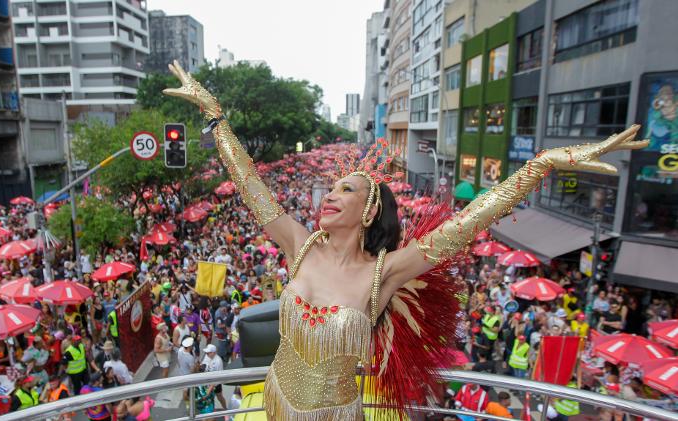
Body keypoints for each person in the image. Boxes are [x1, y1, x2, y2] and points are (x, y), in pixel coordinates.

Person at [164, 60, 647, 419]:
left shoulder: (385, 274)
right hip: (273, 402)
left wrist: (543, 165)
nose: (330, 195)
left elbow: (466, 225)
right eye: (331, 188)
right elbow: (251, 184)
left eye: (345, 189)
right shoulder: (300, 244)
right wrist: (215, 119)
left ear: (369, 208)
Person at [201, 344, 227, 410]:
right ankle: (212, 412)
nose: (207, 354)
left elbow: (219, 376)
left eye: (209, 352)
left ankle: (225, 409)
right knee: (210, 400)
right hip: (207, 382)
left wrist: (211, 387)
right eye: (206, 352)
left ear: (214, 352)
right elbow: (203, 364)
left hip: (216, 384)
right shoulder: (207, 356)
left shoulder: (218, 361)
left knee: (219, 397)